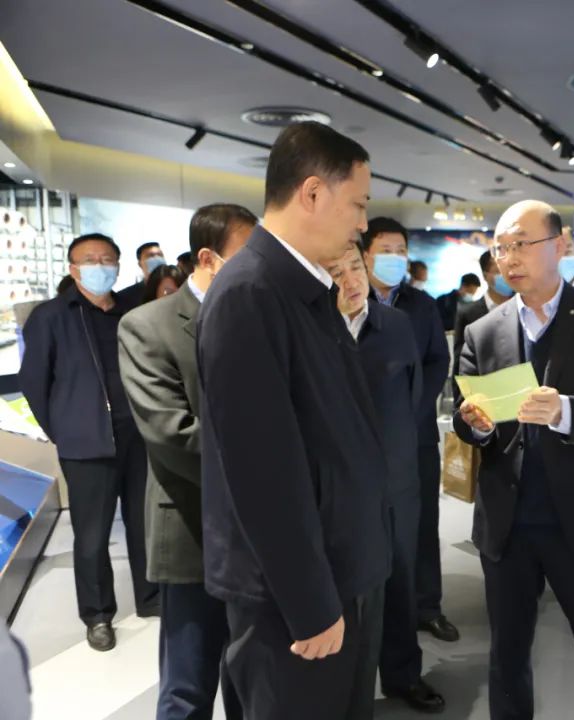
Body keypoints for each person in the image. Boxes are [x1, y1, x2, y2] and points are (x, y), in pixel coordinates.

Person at [197, 122, 391, 720]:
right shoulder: (249, 294)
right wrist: (310, 604)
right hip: (294, 600)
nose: (362, 223)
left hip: (340, 571)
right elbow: (263, 475)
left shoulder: (304, 291)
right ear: (312, 193)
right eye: (357, 203)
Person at [454, 200, 574, 720]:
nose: (509, 258)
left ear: (559, 245)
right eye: (501, 248)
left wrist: (566, 410)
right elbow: (465, 418)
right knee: (507, 653)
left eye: (521, 244)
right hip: (508, 520)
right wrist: (475, 424)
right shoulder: (481, 331)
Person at [118, 204, 255, 720]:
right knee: (187, 685)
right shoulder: (147, 325)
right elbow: (169, 432)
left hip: (260, 536)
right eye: (247, 256)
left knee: (250, 679)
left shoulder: (260, 319)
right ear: (208, 258)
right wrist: (269, 467)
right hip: (193, 526)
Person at [18, 233, 159, 652]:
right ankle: (98, 615)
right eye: (90, 259)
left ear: (118, 264)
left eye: (107, 259)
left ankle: (151, 596)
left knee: (145, 525)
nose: (100, 266)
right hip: (86, 444)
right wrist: (64, 430)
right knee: (93, 536)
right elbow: (34, 383)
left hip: (138, 437)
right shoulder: (52, 317)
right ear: (73, 269)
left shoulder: (131, 312)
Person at [326, 243, 446, 714]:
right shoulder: (310, 327)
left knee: (399, 578)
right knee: (347, 590)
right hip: (336, 484)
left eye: (356, 267)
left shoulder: (395, 325)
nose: (351, 280)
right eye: (336, 272)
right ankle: (346, 688)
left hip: (395, 477)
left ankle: (402, 674)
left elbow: (413, 395)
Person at [361, 217, 458, 643]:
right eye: (385, 250)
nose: (395, 258)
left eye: (401, 251)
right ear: (365, 254)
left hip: (415, 432)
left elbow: (438, 360)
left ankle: (427, 605)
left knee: (422, 522)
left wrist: (415, 406)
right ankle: (380, 610)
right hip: (363, 436)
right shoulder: (348, 299)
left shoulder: (421, 305)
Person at [452, 250, 512, 380]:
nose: (507, 275)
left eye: (509, 269)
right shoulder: (468, 314)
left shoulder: (526, 307)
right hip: (483, 386)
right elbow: (460, 364)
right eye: (498, 271)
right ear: (485, 275)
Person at [116, 241, 166, 308]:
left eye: (160, 255)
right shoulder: (125, 297)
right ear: (140, 264)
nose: (157, 258)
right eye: (151, 256)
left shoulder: (177, 287)